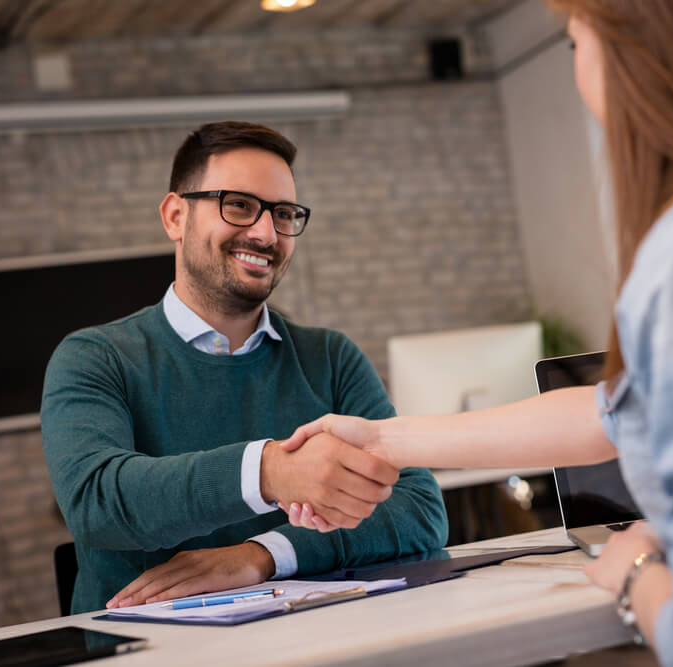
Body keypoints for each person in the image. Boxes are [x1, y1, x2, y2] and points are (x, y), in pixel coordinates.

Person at [279, 1, 673, 664]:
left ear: (637, 51)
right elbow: (610, 412)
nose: (581, 71)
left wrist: (638, 569)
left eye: (573, 44)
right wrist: (386, 438)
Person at [40, 121, 448, 614]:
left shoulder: (330, 358)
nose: (265, 232)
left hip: (314, 644)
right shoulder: (94, 357)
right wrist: (269, 471)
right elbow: (96, 502)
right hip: (150, 652)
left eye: (283, 213)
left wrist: (264, 556)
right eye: (238, 205)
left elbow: (419, 508)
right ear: (175, 217)